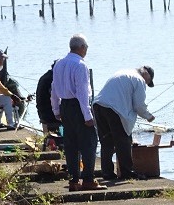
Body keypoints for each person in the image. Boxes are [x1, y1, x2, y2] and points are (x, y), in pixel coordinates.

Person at [50, 34, 106, 192]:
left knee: (71, 144)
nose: (86, 51)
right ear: (82, 48)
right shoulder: (80, 65)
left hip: (65, 106)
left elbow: (53, 89)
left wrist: (56, 109)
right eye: (86, 48)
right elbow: (82, 93)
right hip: (77, 106)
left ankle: (74, 180)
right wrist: (88, 116)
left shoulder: (59, 64)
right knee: (89, 142)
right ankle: (88, 179)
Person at [93, 66, 156, 180]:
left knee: (106, 142)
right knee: (123, 141)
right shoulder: (139, 80)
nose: (146, 84)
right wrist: (148, 116)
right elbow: (139, 105)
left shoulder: (121, 72)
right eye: (148, 81)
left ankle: (107, 173)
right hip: (114, 109)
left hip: (98, 105)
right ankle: (127, 172)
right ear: (146, 74)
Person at [36, 61, 61, 149]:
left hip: (42, 111)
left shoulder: (45, 76)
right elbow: (55, 97)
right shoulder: (52, 78)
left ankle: (49, 141)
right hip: (49, 113)